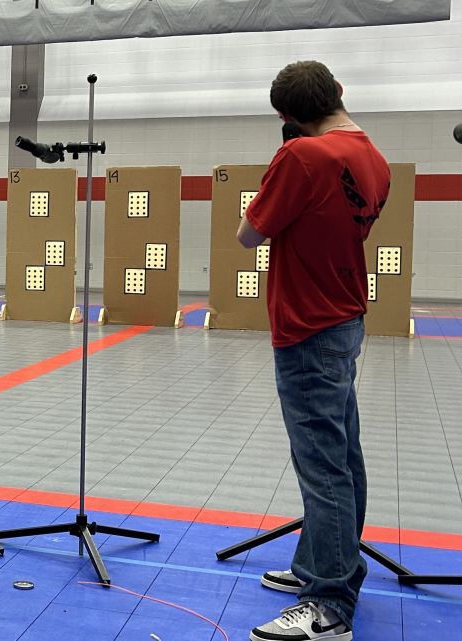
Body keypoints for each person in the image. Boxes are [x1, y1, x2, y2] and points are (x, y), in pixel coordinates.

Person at [238, 61, 390, 641]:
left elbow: (251, 232)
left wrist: (283, 159)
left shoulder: (302, 156)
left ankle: (328, 606)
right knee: (343, 455)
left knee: (322, 467)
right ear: (340, 94)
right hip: (344, 314)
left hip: (306, 324)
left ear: (287, 119)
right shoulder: (372, 156)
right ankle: (326, 567)